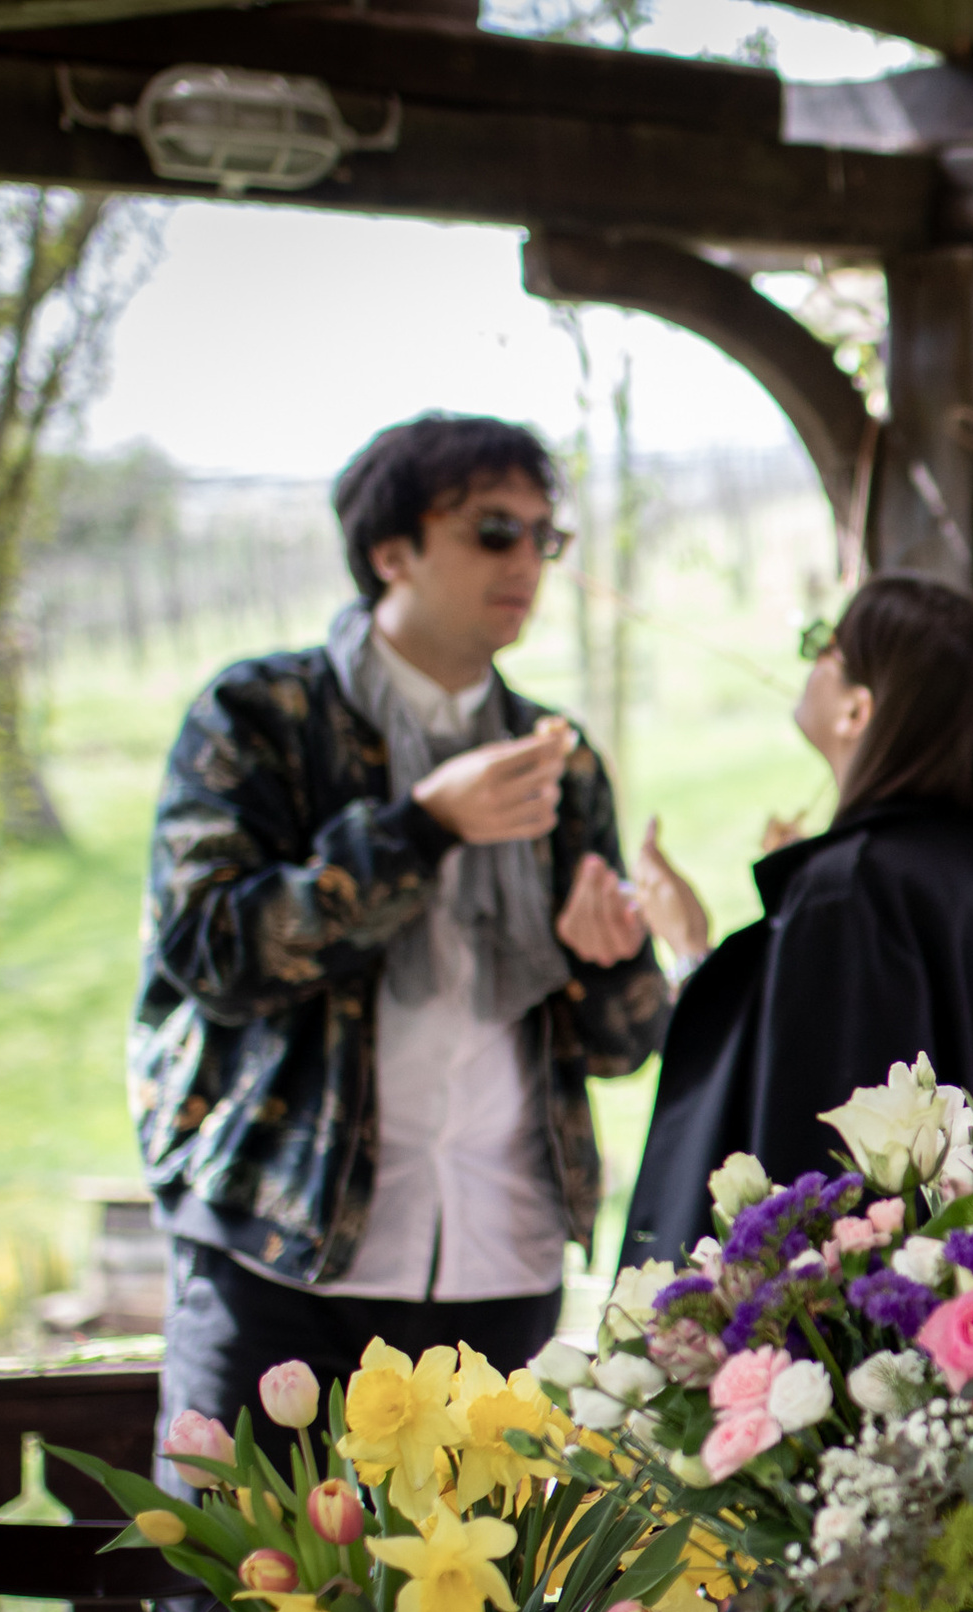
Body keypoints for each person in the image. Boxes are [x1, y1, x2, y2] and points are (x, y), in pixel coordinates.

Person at [133, 413, 671, 1496]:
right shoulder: (260, 715)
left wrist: (612, 961)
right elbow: (211, 949)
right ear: (392, 551)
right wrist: (420, 828)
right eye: (492, 530)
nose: (524, 561)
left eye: (542, 539)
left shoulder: (557, 757)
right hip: (283, 1256)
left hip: (501, 1254)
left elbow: (621, 1043)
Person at [620, 572, 973, 1266]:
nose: (811, 660)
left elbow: (810, 1173)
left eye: (825, 645)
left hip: (881, 1343)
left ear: (858, 708)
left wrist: (696, 952)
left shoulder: (855, 890)